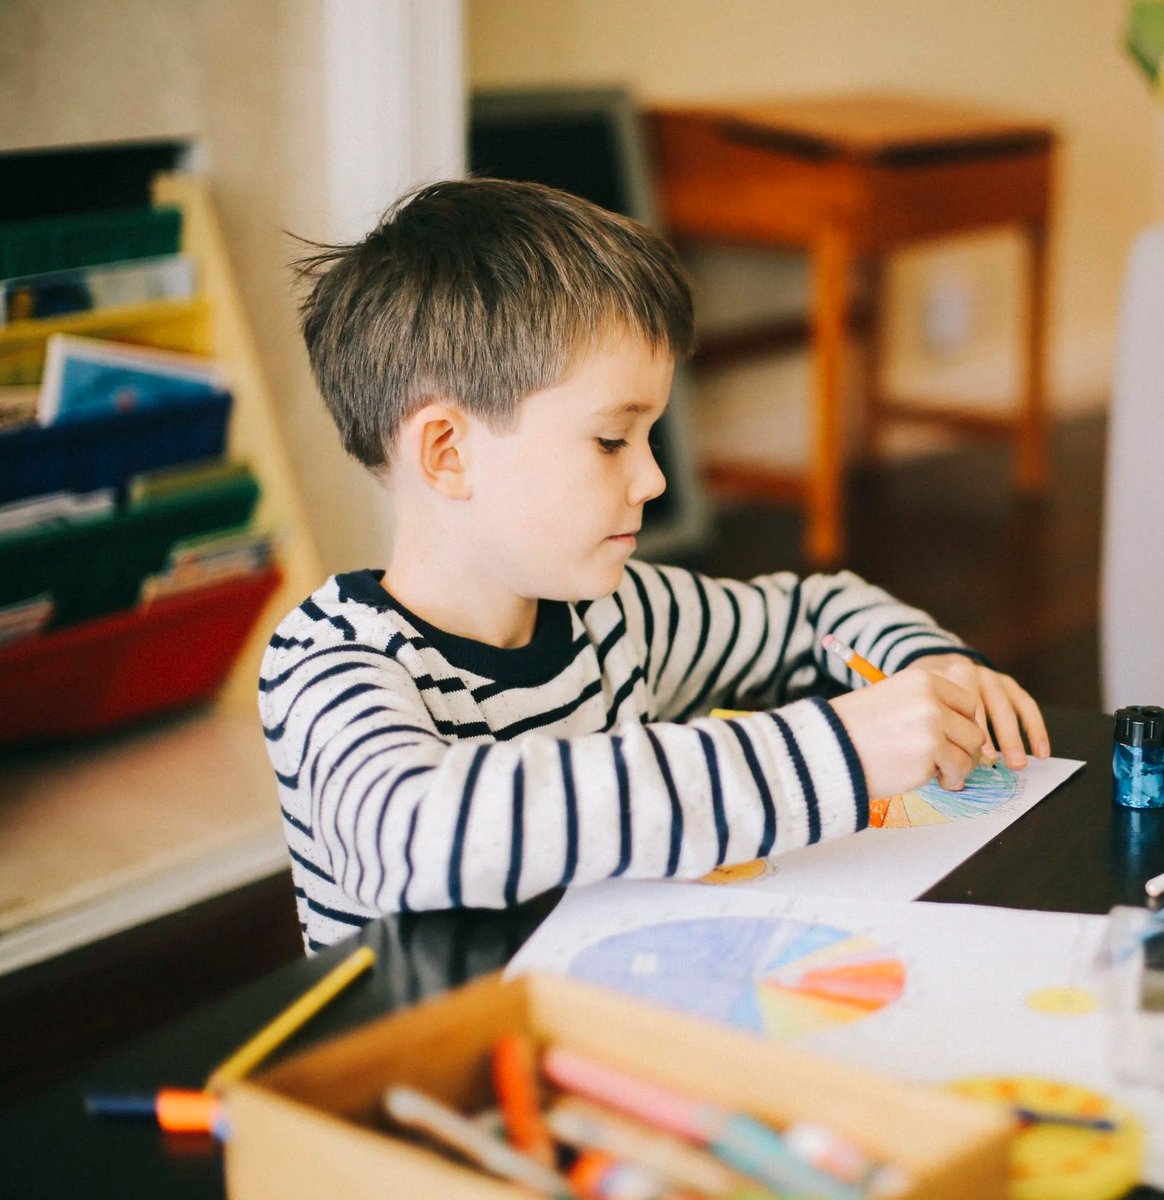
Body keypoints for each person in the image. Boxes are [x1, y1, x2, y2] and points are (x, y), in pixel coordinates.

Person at [262, 179, 1050, 951]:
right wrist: (833, 754)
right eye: (612, 440)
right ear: (447, 453)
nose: (654, 479)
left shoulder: (622, 618)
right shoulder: (326, 662)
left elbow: (814, 612)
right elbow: (417, 839)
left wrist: (930, 663)